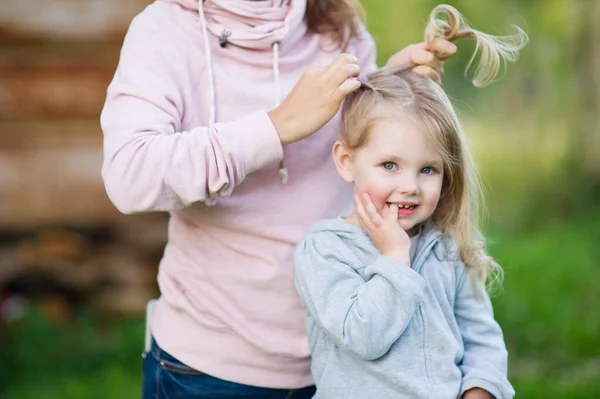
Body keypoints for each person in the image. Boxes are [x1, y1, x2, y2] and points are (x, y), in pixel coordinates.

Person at [100, 0, 459, 397]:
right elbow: (129, 174)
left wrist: (390, 87)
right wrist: (275, 126)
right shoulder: (165, 30)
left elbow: (352, 144)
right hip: (210, 370)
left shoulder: (334, 19)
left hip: (346, 362)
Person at [293, 5, 527, 399]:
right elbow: (363, 337)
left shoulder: (445, 247)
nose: (410, 186)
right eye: (389, 165)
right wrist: (394, 258)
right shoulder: (326, 249)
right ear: (347, 162)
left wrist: (480, 390)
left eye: (428, 170)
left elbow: (480, 333)